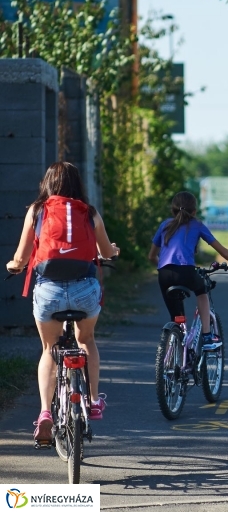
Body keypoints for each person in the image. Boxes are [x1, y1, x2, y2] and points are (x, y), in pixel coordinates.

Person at [6, 162, 120, 443]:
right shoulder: (90, 213)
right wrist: (112, 251)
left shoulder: (37, 210)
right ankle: (93, 401)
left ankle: (45, 412)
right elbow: (106, 251)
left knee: (48, 349)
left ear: (48, 183)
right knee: (87, 340)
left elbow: (21, 258)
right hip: (85, 290)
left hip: (49, 292)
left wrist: (13, 265)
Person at [149, 192, 228, 349]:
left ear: (173, 209)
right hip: (186, 271)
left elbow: (151, 256)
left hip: (164, 274)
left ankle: (173, 357)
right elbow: (222, 251)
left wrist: (165, 266)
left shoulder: (165, 225)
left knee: (177, 318)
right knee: (202, 293)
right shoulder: (197, 225)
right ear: (194, 211)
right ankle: (207, 336)